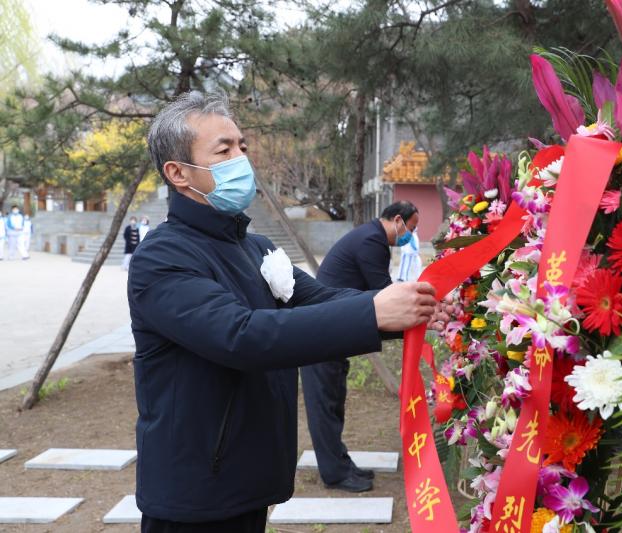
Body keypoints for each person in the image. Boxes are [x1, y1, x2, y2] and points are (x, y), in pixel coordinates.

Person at [128, 91, 446, 533]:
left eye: (242, 146)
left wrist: (415, 305)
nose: (241, 158)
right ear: (178, 172)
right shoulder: (161, 258)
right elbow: (240, 336)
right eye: (224, 150)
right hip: (195, 491)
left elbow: (320, 299)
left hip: (250, 475)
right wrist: (373, 312)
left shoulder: (255, 246)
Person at [300, 200, 419, 493]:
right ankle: (335, 474)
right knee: (324, 407)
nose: (410, 236)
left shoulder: (371, 237)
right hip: (321, 334)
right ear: (396, 220)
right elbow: (383, 294)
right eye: (410, 228)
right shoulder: (372, 241)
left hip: (334, 333)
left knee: (334, 402)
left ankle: (341, 463)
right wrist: (415, 320)